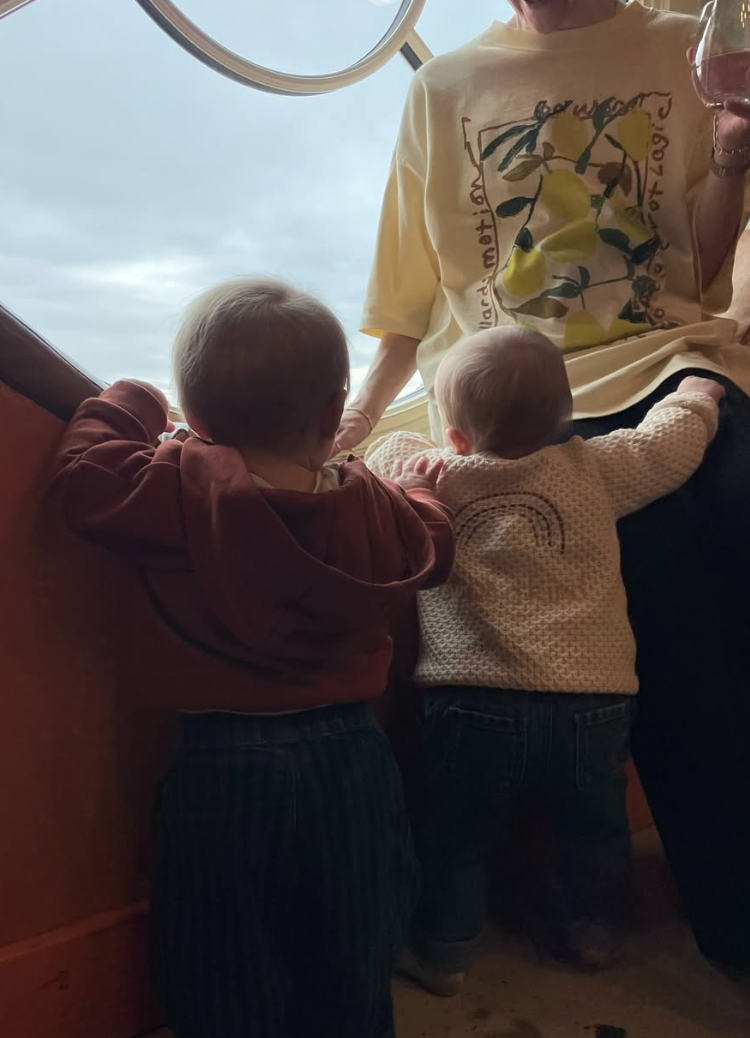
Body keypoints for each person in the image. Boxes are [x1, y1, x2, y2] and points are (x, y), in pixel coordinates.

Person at [338, 0, 750, 978]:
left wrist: (733, 155)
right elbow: (406, 308)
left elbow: (702, 268)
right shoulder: (443, 88)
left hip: (667, 369)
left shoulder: (685, 45)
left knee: (721, 530)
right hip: (503, 403)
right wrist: (348, 431)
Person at [52, 277, 455, 1038]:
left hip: (220, 762)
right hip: (355, 759)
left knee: (221, 960)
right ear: (334, 413)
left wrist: (133, 399)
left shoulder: (177, 487)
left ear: (196, 415)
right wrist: (418, 492)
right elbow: (430, 544)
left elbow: (84, 479)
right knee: (357, 943)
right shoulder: (373, 503)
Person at [366, 328, 724, 993]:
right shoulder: (593, 466)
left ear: (454, 435)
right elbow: (665, 448)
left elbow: (385, 454)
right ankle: (592, 934)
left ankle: (447, 949)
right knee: (594, 827)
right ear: (565, 418)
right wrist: (695, 398)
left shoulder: (442, 479)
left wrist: (415, 474)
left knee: (453, 833)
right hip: (593, 701)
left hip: (471, 700)